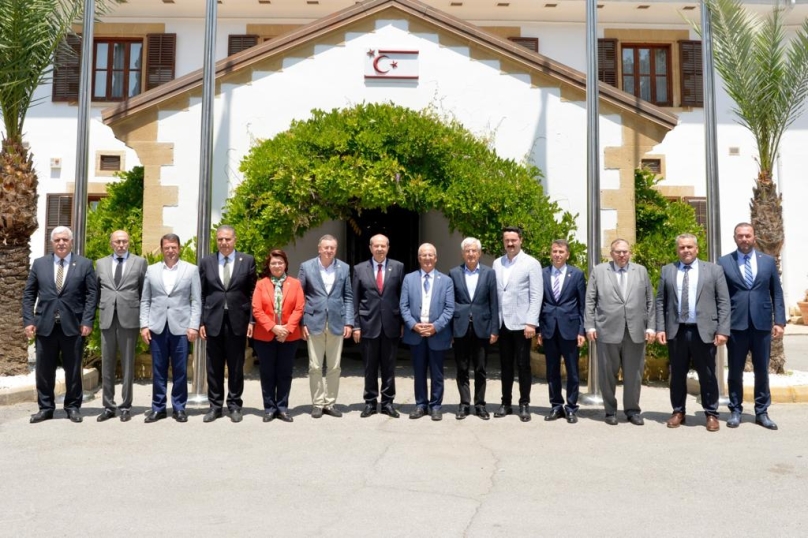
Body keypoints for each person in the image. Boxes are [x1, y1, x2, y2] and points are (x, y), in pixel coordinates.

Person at [23, 226, 98, 424]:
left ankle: (72, 407)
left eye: (65, 239)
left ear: (71, 242)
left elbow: (92, 295)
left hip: (73, 326)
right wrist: (29, 321)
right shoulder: (40, 264)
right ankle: (45, 408)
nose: (61, 243)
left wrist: (87, 320)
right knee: (43, 370)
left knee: (73, 370)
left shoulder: (84, 264)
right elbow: (29, 294)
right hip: (45, 325)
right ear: (52, 243)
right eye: (57, 240)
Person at [656, 233, 730, 432]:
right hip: (677, 330)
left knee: (707, 374)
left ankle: (711, 413)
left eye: (689, 247)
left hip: (704, 331)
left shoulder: (713, 270)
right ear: (677, 250)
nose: (686, 250)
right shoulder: (667, 270)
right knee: (677, 374)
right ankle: (678, 411)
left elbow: (723, 302)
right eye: (682, 247)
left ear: (696, 249)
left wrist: (722, 330)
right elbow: (660, 301)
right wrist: (660, 328)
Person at [718, 223, 786, 430]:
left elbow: (776, 292)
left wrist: (779, 321)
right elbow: (720, 296)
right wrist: (721, 326)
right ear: (735, 238)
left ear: (754, 237)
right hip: (736, 325)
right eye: (740, 236)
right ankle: (735, 410)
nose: (744, 239)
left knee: (762, 371)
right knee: (735, 371)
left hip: (762, 325)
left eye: (748, 235)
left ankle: (762, 412)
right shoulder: (724, 262)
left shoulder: (767, 261)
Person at [585, 239, 655, 426]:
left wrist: (651, 326)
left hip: (635, 330)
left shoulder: (640, 271)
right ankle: (610, 411)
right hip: (607, 329)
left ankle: (632, 410)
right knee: (607, 374)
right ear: (611, 253)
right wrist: (590, 326)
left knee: (634, 374)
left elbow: (650, 300)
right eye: (618, 252)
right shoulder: (599, 271)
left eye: (625, 251)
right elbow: (590, 300)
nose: (622, 255)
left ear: (629, 252)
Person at [140, 234, 201, 423]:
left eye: (174, 247)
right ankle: (158, 408)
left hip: (181, 327)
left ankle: (179, 407)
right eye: (167, 247)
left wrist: (193, 326)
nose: (170, 250)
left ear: (179, 248)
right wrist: (144, 325)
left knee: (180, 369)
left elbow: (196, 300)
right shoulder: (151, 270)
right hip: (157, 326)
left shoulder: (191, 270)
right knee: (158, 369)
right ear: (162, 249)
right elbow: (145, 300)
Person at [199, 225, 257, 423]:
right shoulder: (207, 262)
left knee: (236, 366)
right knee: (213, 367)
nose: (224, 243)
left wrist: (251, 320)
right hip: (213, 321)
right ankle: (215, 406)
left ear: (235, 240)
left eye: (227, 239)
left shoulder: (247, 260)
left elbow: (252, 293)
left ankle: (234, 405)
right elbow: (201, 293)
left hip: (237, 321)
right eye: (220, 239)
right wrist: (201, 321)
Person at [298, 234, 354, 418]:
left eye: (332, 248)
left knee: (334, 366)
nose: (329, 250)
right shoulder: (306, 266)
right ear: (319, 248)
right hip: (313, 321)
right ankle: (317, 403)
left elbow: (348, 296)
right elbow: (300, 297)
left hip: (337, 322)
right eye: (326, 247)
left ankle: (330, 403)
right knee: (314, 366)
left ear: (335, 249)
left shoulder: (344, 268)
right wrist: (302, 322)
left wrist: (349, 322)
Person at [95, 230, 147, 423]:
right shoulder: (101, 263)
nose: (121, 244)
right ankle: (108, 406)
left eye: (124, 241)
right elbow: (96, 290)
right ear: (111, 243)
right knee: (107, 363)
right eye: (117, 241)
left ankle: (126, 406)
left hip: (129, 318)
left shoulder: (139, 262)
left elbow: (144, 291)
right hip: (107, 317)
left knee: (127, 364)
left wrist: (144, 320)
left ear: (129, 243)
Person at [492, 226, 542, 422]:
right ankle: (506, 403)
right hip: (503, 322)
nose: (510, 243)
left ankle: (524, 404)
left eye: (513, 240)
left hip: (522, 324)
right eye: (507, 240)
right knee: (505, 366)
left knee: (523, 365)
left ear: (521, 240)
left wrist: (531, 322)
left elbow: (536, 295)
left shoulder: (531, 263)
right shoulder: (497, 263)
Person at [352, 234, 405, 418]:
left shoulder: (398, 267)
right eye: (376, 246)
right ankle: (370, 402)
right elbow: (355, 299)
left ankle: (388, 402)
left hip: (391, 324)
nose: (380, 249)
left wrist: (402, 323)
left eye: (383, 246)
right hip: (368, 325)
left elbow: (402, 297)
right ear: (370, 248)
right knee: (370, 367)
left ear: (388, 247)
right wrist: (356, 326)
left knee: (389, 367)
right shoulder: (359, 269)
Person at [400, 243, 455, 421]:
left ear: (436, 258)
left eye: (431, 255)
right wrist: (413, 325)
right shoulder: (409, 279)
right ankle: (420, 405)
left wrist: (435, 327)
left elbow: (449, 308)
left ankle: (436, 406)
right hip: (415, 333)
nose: (427, 258)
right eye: (424, 255)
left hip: (437, 333)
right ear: (419, 258)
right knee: (419, 372)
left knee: (437, 373)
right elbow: (403, 306)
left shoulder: (446, 281)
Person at [448, 237, 498, 420]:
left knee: (480, 368)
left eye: (474, 250)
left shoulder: (489, 273)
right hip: (460, 327)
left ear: (479, 253)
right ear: (462, 254)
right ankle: (464, 404)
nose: (470, 254)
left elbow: (494, 303)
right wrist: (450, 331)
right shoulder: (453, 273)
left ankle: (480, 405)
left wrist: (495, 329)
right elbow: (450, 303)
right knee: (462, 368)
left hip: (482, 327)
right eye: (467, 251)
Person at [252, 249, 305, 423]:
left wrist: (287, 329)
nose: (277, 266)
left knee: (284, 373)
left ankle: (282, 408)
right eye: (273, 263)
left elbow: (299, 308)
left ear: (285, 265)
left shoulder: (295, 284)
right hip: (265, 335)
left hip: (289, 337)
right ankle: (269, 408)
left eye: (280, 262)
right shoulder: (261, 284)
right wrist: (274, 328)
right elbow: (257, 310)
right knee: (267, 373)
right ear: (268, 265)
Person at [538, 239, 586, 424]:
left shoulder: (576, 274)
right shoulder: (542, 273)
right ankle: (556, 406)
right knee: (552, 370)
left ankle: (571, 407)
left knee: (572, 371)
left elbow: (582, 305)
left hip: (570, 329)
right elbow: (539, 302)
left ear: (567, 255)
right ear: (551, 253)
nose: (557, 255)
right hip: (549, 328)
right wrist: (539, 329)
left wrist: (581, 331)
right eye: (555, 251)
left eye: (561, 252)